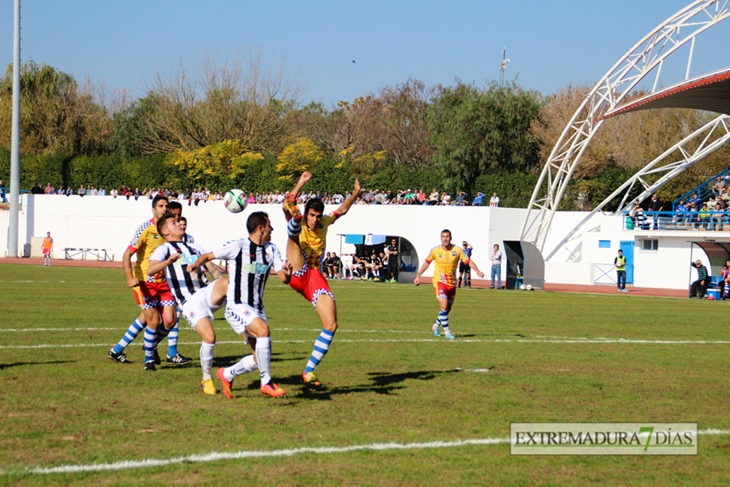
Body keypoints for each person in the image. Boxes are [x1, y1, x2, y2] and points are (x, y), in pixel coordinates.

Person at [188, 211, 290, 398]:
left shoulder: (271, 249)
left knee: (259, 358)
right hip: (237, 306)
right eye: (269, 225)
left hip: (257, 307)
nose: (272, 229)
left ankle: (226, 374)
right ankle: (266, 383)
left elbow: (283, 276)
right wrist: (195, 264)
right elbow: (208, 255)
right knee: (263, 331)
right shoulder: (237, 246)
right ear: (261, 228)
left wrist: (287, 273)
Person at [281, 171, 361, 387]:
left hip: (313, 277)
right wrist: (300, 183)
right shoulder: (301, 220)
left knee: (331, 324)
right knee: (293, 232)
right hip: (296, 268)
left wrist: (355, 194)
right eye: (312, 215)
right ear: (307, 213)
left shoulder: (324, 222)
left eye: (318, 216)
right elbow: (286, 202)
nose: (316, 219)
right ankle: (294, 222)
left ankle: (308, 371)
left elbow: (341, 211)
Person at [107, 195, 192, 368]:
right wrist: (129, 277)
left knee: (167, 320)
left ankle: (117, 350)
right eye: (160, 206)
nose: (164, 209)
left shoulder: (169, 229)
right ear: (153, 209)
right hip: (144, 281)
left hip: (163, 282)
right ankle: (149, 359)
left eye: (166, 206)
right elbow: (127, 253)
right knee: (152, 320)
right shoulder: (146, 229)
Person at [147, 213, 227, 394]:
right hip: (188, 301)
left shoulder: (195, 247)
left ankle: (242, 324)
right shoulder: (164, 249)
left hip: (204, 292)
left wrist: (219, 278)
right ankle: (207, 379)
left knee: (227, 284)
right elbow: (151, 269)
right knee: (210, 338)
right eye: (174, 223)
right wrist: (167, 262)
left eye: (180, 221)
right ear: (165, 231)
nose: (180, 224)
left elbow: (210, 268)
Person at [414, 229, 484, 339]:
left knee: (447, 309)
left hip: (451, 284)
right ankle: (447, 332)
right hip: (439, 282)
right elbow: (426, 263)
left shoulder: (457, 250)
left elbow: (468, 261)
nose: (445, 238)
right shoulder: (435, 251)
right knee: (444, 305)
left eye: (447, 236)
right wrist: (418, 275)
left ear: (450, 238)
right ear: (440, 238)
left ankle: (436, 325)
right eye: (443, 236)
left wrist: (477, 271)